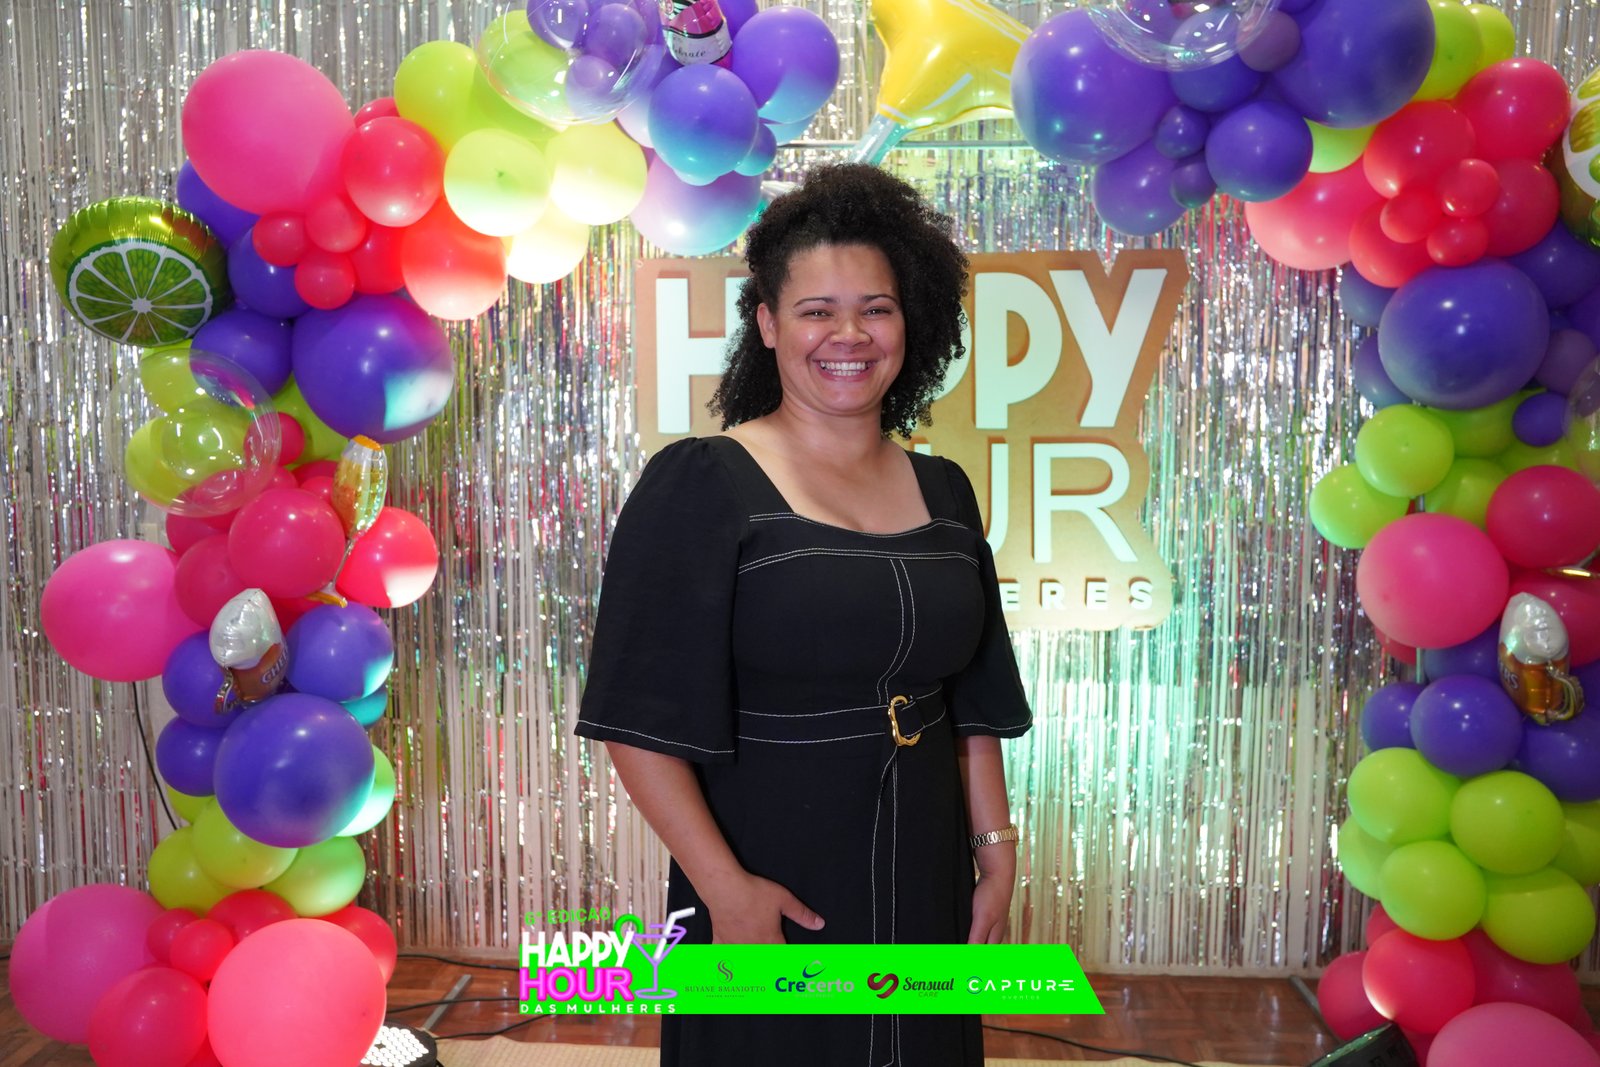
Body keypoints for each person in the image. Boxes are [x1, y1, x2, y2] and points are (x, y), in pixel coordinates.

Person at [575, 163, 1033, 1066]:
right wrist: (726, 890)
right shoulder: (702, 482)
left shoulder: (945, 488)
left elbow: (971, 698)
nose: (848, 335)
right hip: (766, 863)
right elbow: (636, 722)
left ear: (910, 322)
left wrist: (995, 848)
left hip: (924, 856)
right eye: (817, 310)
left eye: (876, 309)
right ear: (767, 324)